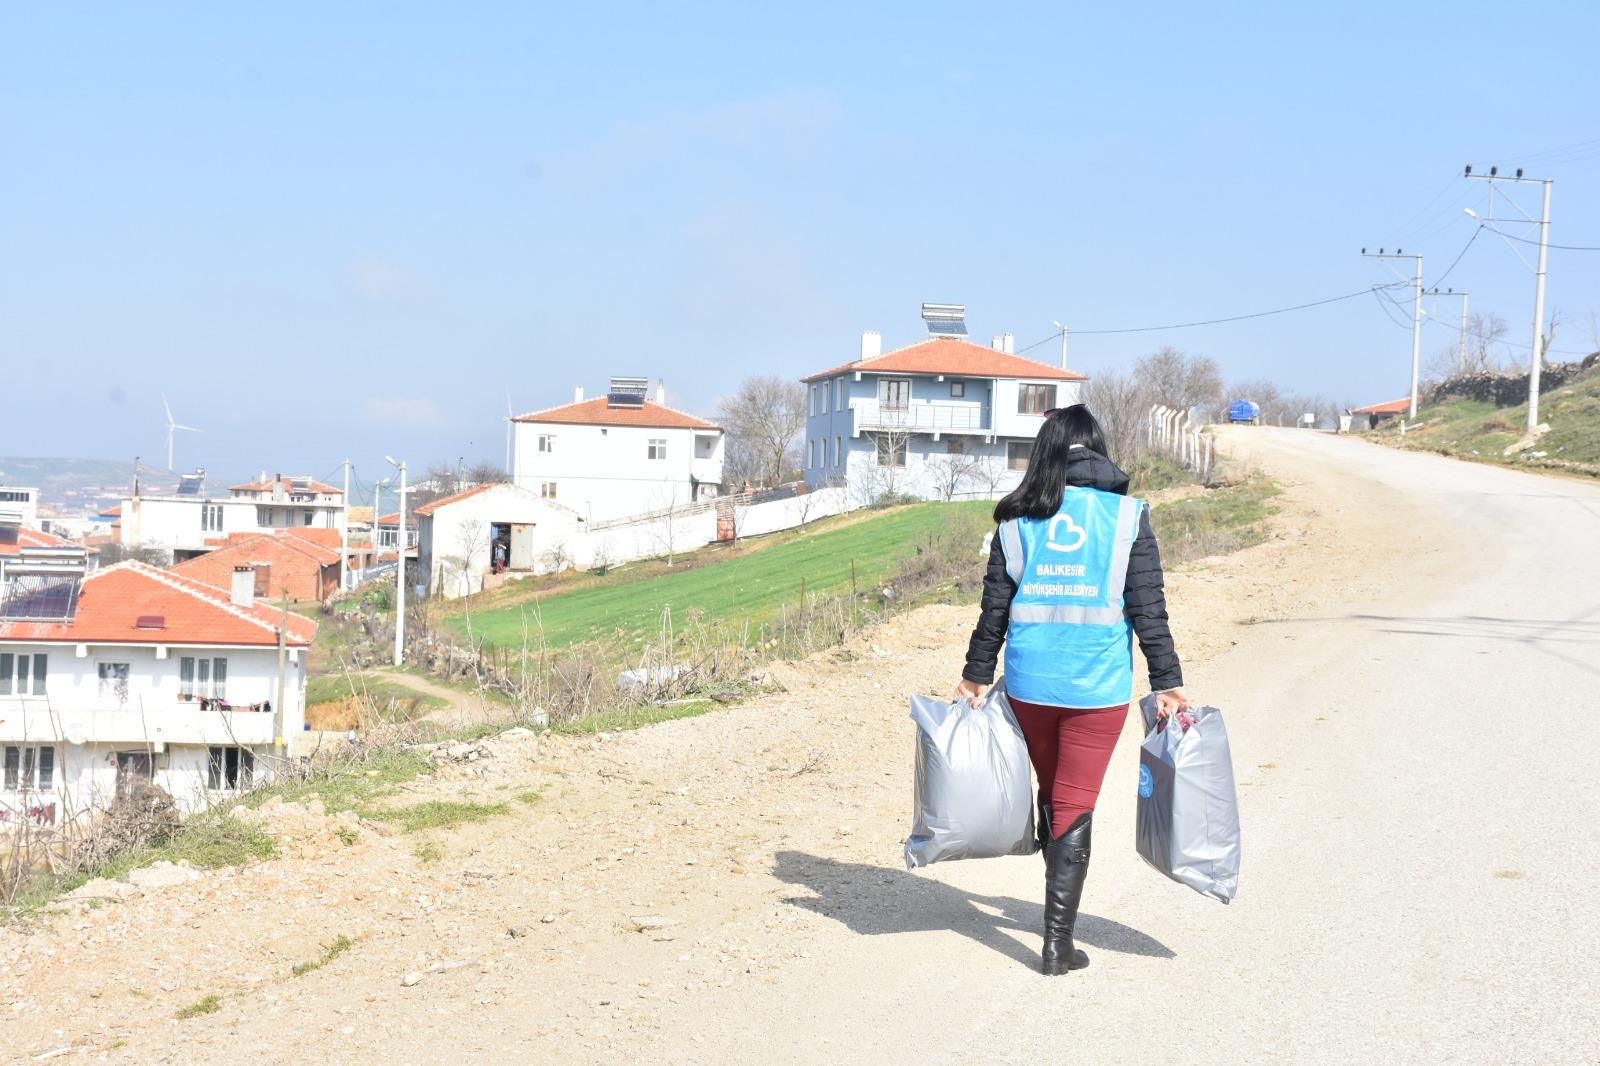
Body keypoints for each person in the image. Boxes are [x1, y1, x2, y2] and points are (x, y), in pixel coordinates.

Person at [955, 404, 1187, 976]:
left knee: (1057, 792)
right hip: (1097, 687)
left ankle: (1051, 834)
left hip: (1030, 684)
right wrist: (1167, 681)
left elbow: (994, 612)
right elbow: (1147, 608)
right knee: (1075, 800)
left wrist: (976, 674)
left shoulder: (1014, 523)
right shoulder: (1128, 517)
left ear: (1045, 453)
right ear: (1099, 448)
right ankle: (1057, 944)